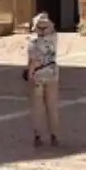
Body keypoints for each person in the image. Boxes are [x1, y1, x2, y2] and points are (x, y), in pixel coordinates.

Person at [25, 13, 61, 146]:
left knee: (38, 107)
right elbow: (52, 29)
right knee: (52, 106)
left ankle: (38, 135)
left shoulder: (33, 42)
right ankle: (54, 134)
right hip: (52, 73)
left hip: (38, 74)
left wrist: (29, 75)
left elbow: (33, 61)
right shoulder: (54, 38)